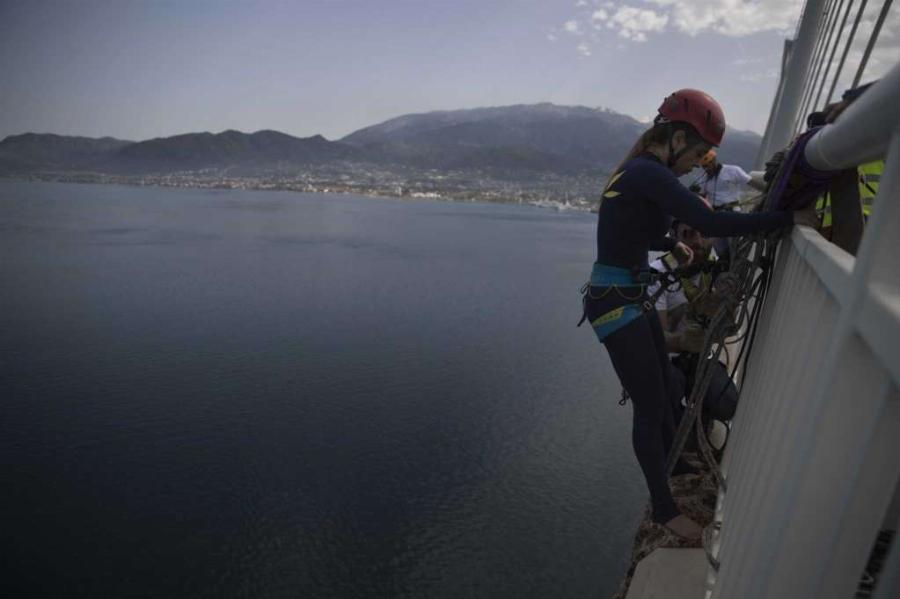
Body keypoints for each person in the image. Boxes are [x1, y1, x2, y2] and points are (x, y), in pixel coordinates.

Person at [582, 89, 816, 540]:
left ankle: (677, 459)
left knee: (669, 385)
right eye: (700, 151)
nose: (699, 162)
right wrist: (785, 221)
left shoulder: (638, 172)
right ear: (678, 139)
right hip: (617, 302)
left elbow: (639, 232)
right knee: (650, 406)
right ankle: (664, 510)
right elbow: (710, 224)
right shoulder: (648, 173)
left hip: (624, 295)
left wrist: (672, 244)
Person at [648, 216, 739, 429]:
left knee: (726, 403)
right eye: (688, 235)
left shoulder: (718, 272)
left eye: (703, 234)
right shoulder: (657, 274)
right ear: (674, 239)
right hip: (668, 362)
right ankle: (676, 435)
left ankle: (702, 420)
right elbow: (656, 338)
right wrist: (682, 340)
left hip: (699, 358)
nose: (697, 242)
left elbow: (727, 327)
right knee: (669, 391)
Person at [694, 149, 766, 210]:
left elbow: (751, 182)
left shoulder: (733, 170)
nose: (706, 169)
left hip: (732, 210)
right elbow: (702, 196)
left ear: (713, 161)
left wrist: (769, 190)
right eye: (704, 167)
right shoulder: (703, 179)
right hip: (715, 212)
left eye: (707, 165)